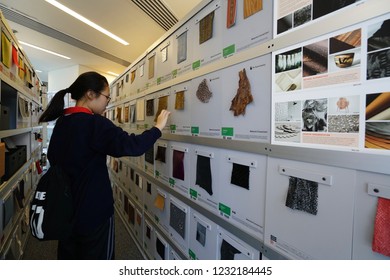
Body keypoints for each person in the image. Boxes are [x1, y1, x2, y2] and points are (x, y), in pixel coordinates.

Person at [39, 71, 170, 260]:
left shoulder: (62, 123)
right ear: (91, 94)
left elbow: (55, 158)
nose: (107, 102)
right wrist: (157, 128)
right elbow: (132, 146)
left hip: (65, 210)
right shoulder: (95, 124)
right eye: (106, 97)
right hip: (94, 213)